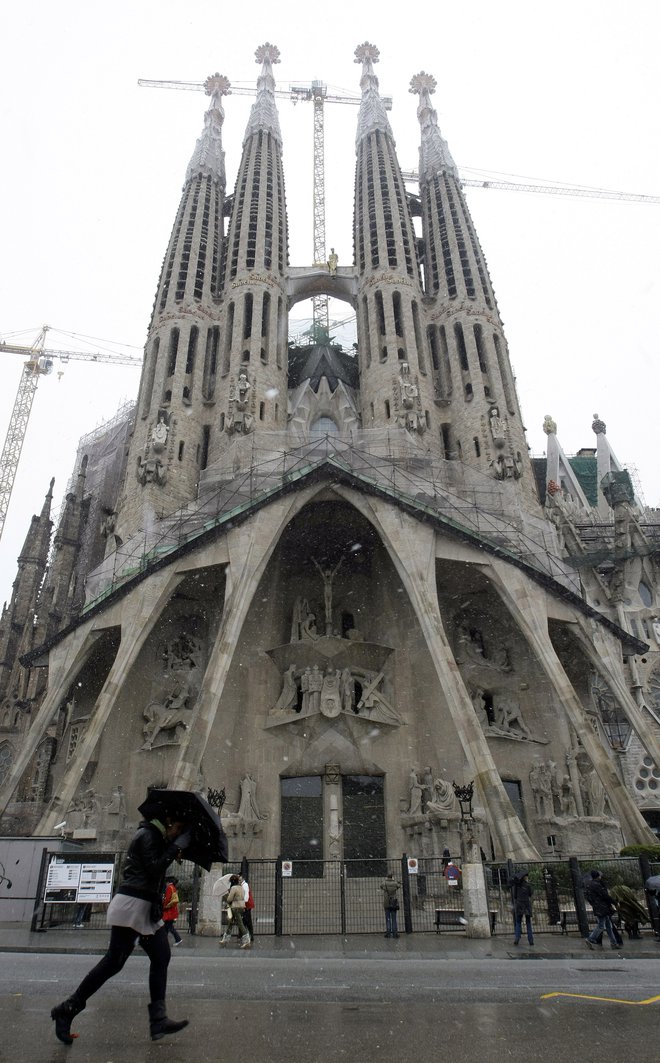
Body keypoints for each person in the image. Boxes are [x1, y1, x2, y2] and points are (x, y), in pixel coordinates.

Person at [51, 809, 192, 1044]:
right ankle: (68, 1008)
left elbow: (154, 870)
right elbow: (154, 868)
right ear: (168, 821)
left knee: (161, 956)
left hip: (144, 906)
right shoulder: (147, 835)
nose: (177, 833)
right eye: (178, 828)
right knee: (113, 962)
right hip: (132, 904)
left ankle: (158, 1019)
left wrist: (172, 850)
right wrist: (171, 849)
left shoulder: (154, 837)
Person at [584, 869, 623, 950]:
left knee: (609, 926)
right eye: (600, 875)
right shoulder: (597, 885)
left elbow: (589, 897)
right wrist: (614, 903)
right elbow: (605, 896)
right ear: (598, 876)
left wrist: (594, 903)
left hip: (598, 906)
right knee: (601, 925)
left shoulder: (589, 885)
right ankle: (590, 938)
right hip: (602, 907)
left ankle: (614, 943)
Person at [221, 874, 251, 949]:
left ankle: (247, 941)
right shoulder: (241, 887)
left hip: (235, 907)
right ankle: (225, 939)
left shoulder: (234, 888)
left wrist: (226, 896)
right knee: (230, 923)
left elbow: (229, 899)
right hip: (241, 906)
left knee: (240, 923)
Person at [511, 870, 534, 946]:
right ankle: (530, 940)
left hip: (519, 904)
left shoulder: (517, 886)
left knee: (518, 922)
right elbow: (530, 894)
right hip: (526, 904)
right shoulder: (528, 885)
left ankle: (517, 938)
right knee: (528, 923)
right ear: (525, 877)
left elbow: (515, 896)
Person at [162, 876, 182, 946]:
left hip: (168, 911)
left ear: (168, 882)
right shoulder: (173, 888)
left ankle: (178, 939)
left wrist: (163, 905)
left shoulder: (169, 888)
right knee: (166, 927)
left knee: (169, 927)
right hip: (172, 911)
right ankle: (164, 941)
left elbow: (167, 899)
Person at [379, 872, 400, 938]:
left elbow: (381, 886)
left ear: (387, 877)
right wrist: (394, 881)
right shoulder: (395, 883)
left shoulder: (384, 883)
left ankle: (388, 933)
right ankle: (395, 933)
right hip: (393, 902)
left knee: (388, 918)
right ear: (392, 877)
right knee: (394, 918)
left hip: (387, 902)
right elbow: (398, 886)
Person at [240, 873, 255, 942]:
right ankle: (244, 935)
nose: (238, 878)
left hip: (247, 905)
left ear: (242, 878)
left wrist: (243, 904)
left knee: (247, 921)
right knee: (245, 920)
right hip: (246, 905)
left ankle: (249, 935)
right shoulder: (242, 885)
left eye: (239, 877)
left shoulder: (245, 885)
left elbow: (246, 897)